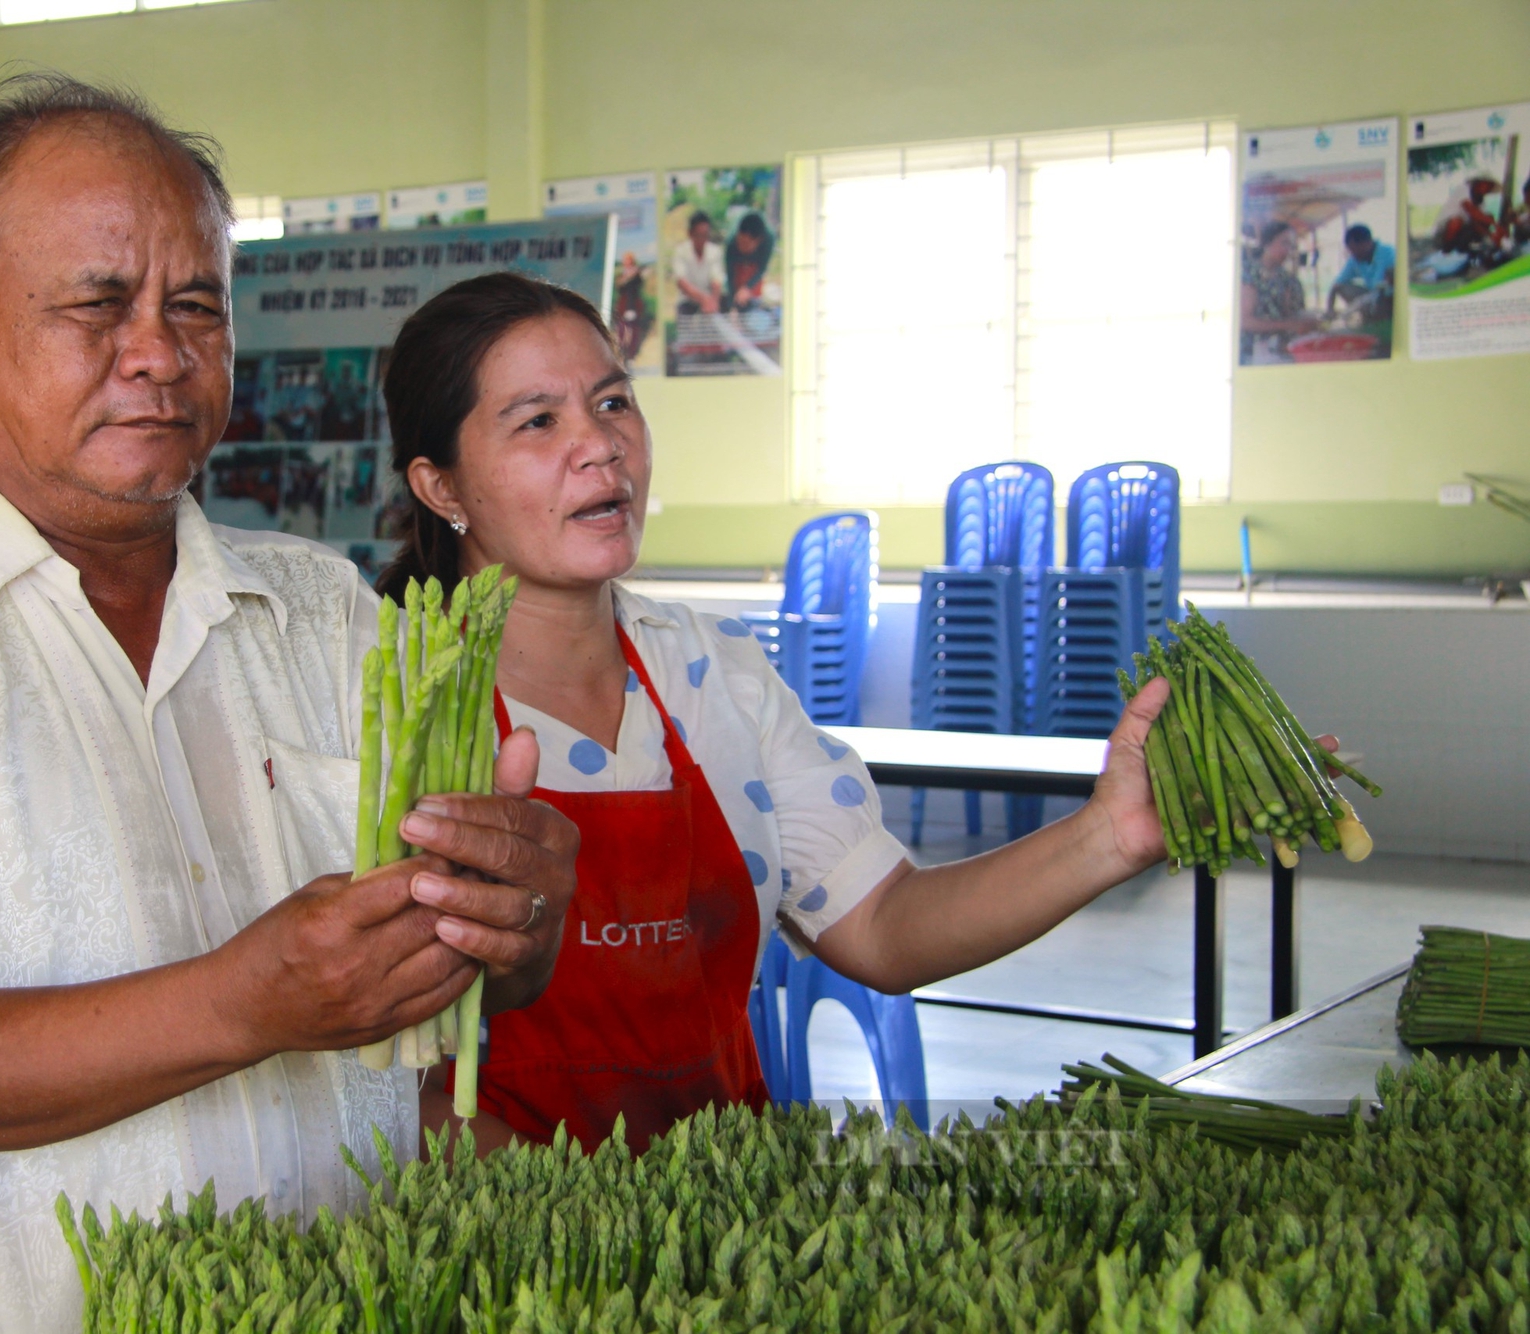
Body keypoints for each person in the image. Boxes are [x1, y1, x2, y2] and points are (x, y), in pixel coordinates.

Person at [0, 73, 578, 1334]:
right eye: (98, 302)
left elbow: (456, 996)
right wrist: (244, 999)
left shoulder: (327, 612)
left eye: (196, 307)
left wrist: (514, 921)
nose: (160, 355)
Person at [378, 271, 1332, 1156]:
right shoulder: (387, 707)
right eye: (538, 421)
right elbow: (381, 1080)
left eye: (614, 401)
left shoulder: (719, 673)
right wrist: (569, 1224)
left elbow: (882, 925)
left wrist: (1108, 836)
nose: (602, 444)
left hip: (719, 1196)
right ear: (442, 487)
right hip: (496, 1225)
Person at [1239, 221, 1318, 362]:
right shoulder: (1249, 274)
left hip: (1283, 349)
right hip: (1253, 353)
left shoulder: (1288, 279)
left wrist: (1309, 321)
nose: (1288, 250)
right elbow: (1245, 321)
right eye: (1284, 243)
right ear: (1267, 244)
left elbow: (1292, 313)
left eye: (1292, 246)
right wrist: (1288, 325)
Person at [1327, 224, 1395, 321]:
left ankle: (1381, 316)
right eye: (1351, 250)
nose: (1353, 254)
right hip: (1371, 295)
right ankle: (1366, 314)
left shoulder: (1389, 254)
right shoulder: (1354, 259)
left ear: (1367, 243)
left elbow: (1386, 287)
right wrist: (1330, 311)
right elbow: (1336, 285)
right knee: (1341, 287)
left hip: (1388, 297)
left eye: (1355, 249)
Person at [671, 210, 724, 316]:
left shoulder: (715, 252)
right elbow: (681, 282)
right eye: (699, 235)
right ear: (690, 233)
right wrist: (702, 299)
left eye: (705, 235)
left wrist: (713, 301)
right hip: (688, 301)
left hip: (709, 301)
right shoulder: (680, 252)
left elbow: (716, 280)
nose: (702, 239)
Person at [722, 211, 775, 313]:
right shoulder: (731, 242)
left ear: (758, 241)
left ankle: (753, 306)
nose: (741, 246)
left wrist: (747, 288)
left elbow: (762, 269)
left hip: (755, 264)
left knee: (752, 294)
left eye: (746, 243)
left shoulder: (769, 240)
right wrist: (732, 305)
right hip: (737, 263)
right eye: (740, 241)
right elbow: (730, 274)